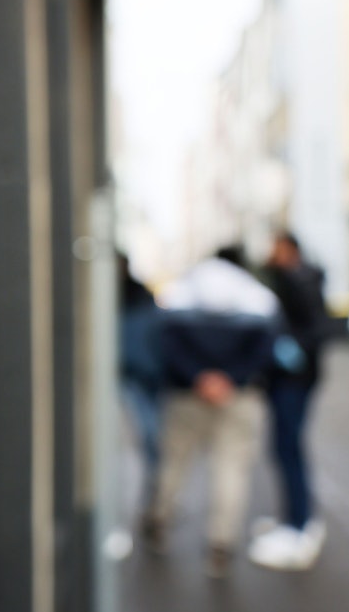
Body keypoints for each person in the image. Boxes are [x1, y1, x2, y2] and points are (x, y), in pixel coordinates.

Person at [144, 246, 279, 578]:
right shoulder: (255, 295)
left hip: (187, 395)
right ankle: (221, 544)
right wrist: (231, 378)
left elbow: (165, 343)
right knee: (231, 470)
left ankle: (159, 523)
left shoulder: (182, 290)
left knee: (175, 462)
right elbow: (266, 348)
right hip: (238, 397)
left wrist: (198, 378)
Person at [249, 232, 330, 570]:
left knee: (288, 447)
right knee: (284, 448)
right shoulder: (289, 277)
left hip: (294, 380)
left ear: (292, 250)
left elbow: (316, 329)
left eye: (278, 248)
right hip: (289, 379)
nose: (273, 253)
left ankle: (299, 527)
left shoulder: (300, 280)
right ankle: (295, 519)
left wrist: (288, 348)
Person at [119, 255, 165, 509]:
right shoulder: (126, 298)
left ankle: (154, 493)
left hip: (144, 374)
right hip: (127, 373)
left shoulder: (141, 298)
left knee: (149, 435)